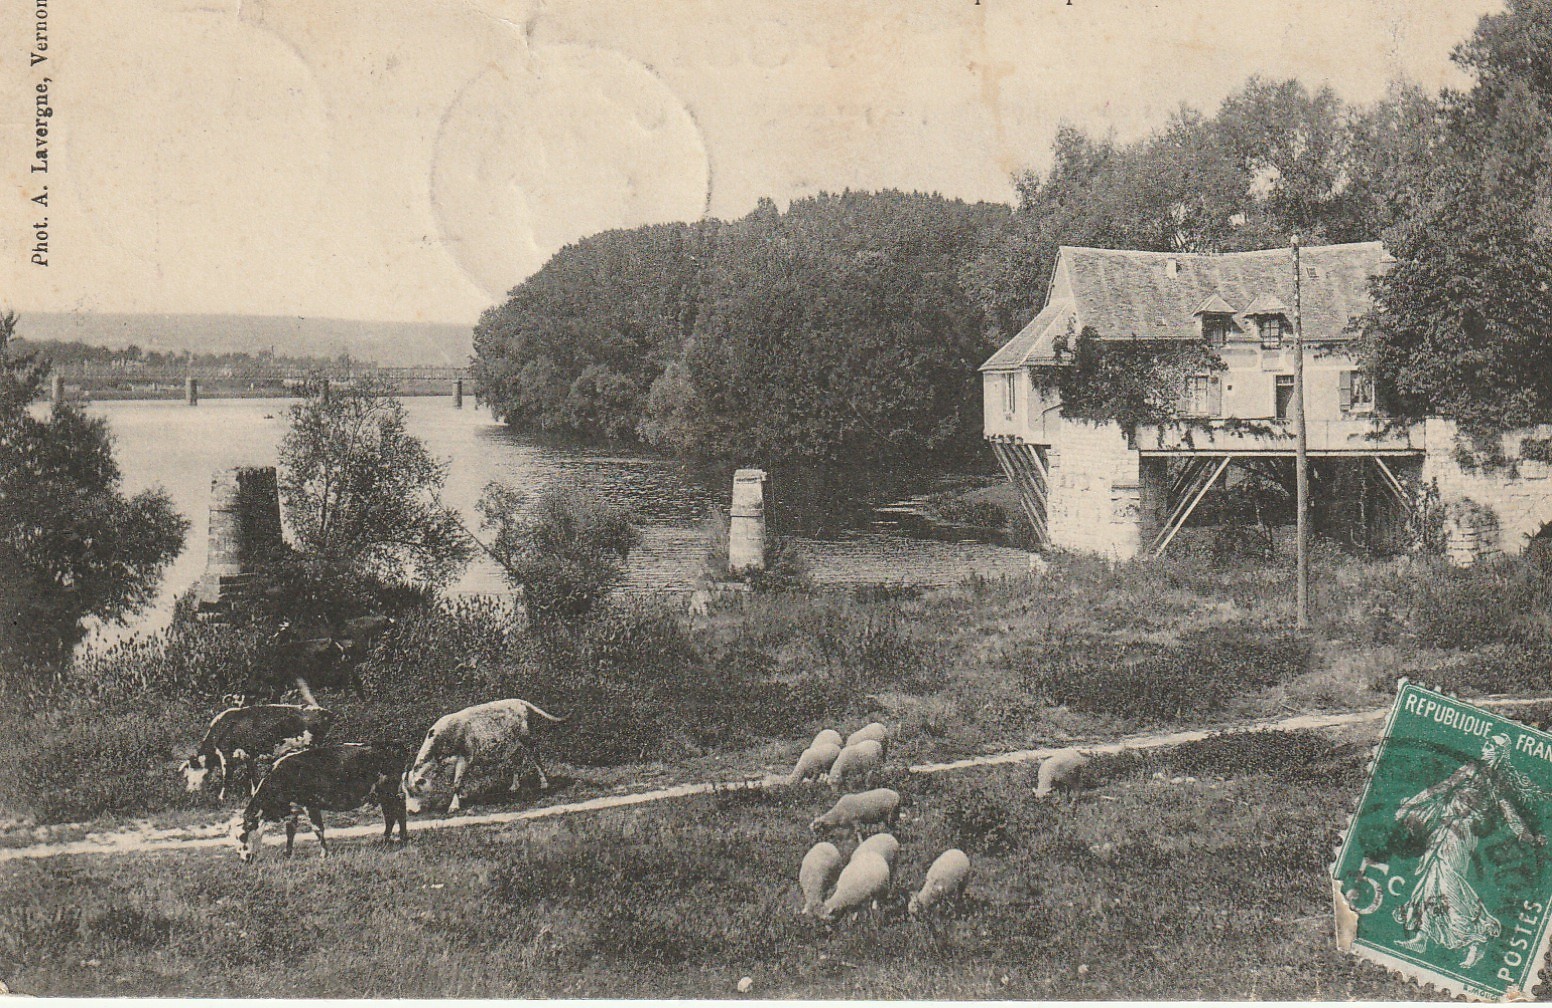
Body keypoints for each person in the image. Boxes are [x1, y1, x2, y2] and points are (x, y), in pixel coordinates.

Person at [1392, 733, 1546, 968]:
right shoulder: (1484, 775)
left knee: (1448, 883)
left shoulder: (1487, 777)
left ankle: (1478, 938)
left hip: (1461, 834)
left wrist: (1530, 837)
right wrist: (1411, 804)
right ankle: (1422, 937)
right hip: (1447, 829)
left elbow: (1508, 814)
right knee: (1431, 880)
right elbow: (1442, 789)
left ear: (1499, 752)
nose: (1484, 746)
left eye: (1490, 744)